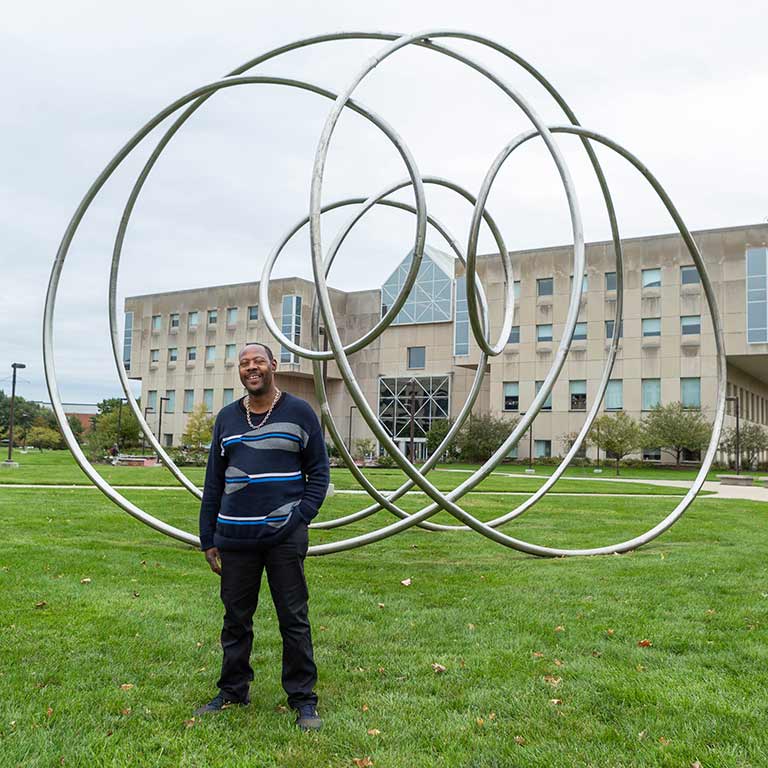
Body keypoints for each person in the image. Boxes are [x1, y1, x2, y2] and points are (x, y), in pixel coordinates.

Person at [193, 342, 330, 731]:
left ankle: (303, 700)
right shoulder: (226, 419)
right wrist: (208, 536)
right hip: (235, 537)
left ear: (273, 365)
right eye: (244, 364)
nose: (251, 368)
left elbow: (319, 474)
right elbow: (214, 482)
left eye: (258, 362)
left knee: (294, 619)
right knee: (236, 619)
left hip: (284, 537)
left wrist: (299, 518)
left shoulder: (300, 413)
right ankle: (233, 691)